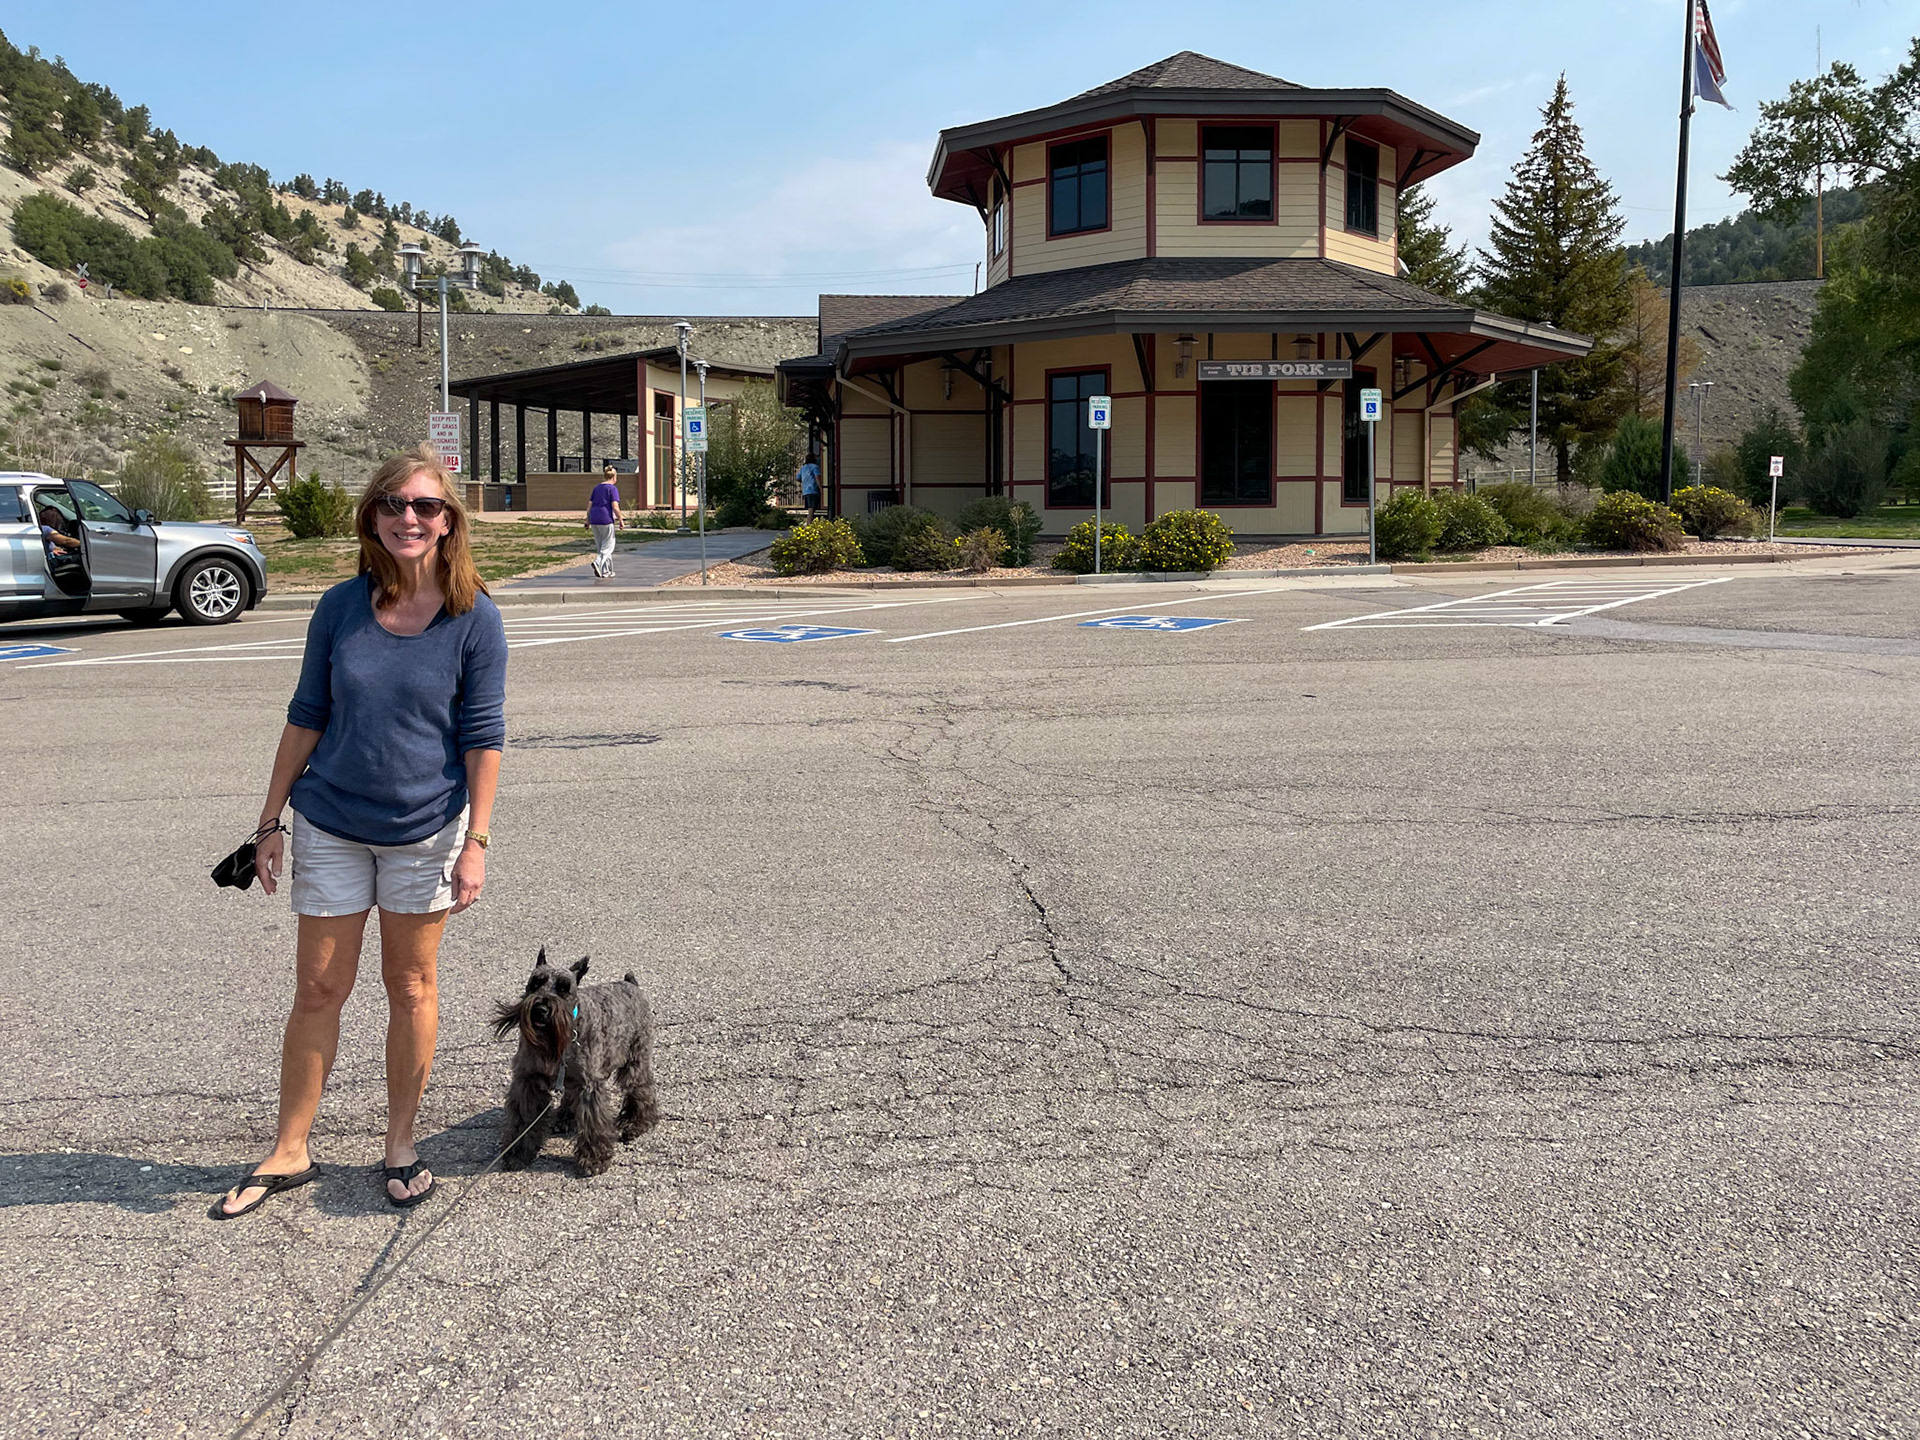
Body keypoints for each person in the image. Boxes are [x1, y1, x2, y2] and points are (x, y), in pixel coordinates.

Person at [215, 444, 508, 1219]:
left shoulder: (474, 615)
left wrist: (477, 841)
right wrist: (269, 821)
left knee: (410, 987)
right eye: (393, 504)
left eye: (424, 507)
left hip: (426, 831)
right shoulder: (340, 606)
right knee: (317, 987)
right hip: (332, 823)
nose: (407, 518)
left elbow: (484, 737)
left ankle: (401, 1143)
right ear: (372, 517)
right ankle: (290, 1149)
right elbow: (306, 715)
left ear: (448, 522)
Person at [587, 463, 623, 578]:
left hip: (594, 519)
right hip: (606, 518)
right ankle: (597, 562)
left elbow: (589, 506)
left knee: (601, 546)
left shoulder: (596, 488)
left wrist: (587, 520)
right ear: (614, 477)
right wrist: (621, 520)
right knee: (608, 546)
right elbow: (615, 506)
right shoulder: (612, 489)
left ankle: (606, 571)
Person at [38, 504, 81, 572]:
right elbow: (66, 541)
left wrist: (52, 550)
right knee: (79, 558)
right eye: (52, 517)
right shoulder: (45, 529)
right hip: (50, 564)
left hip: (49, 559)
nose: (54, 520)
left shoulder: (41, 530)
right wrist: (83, 543)